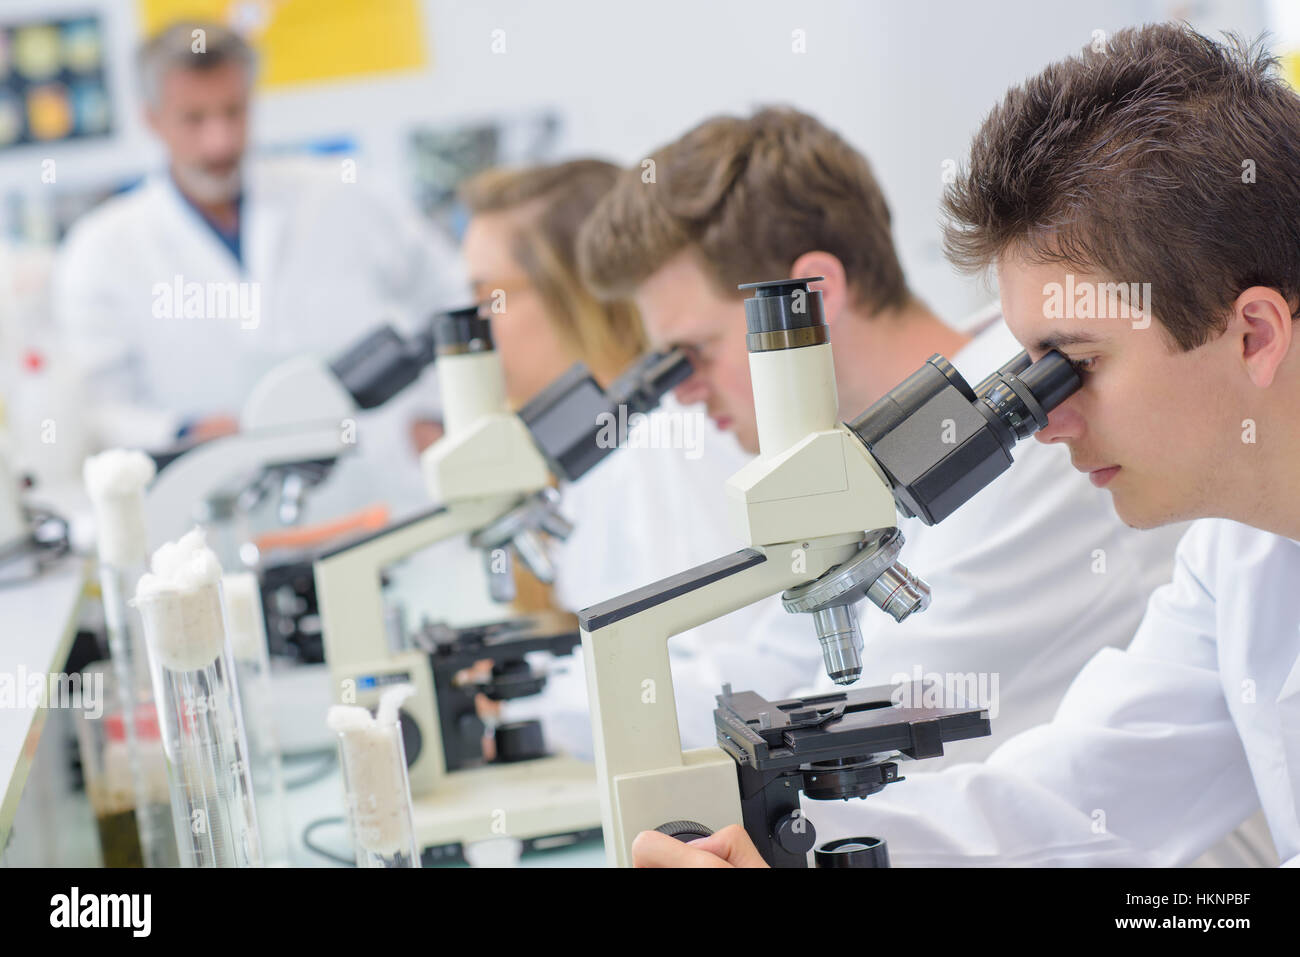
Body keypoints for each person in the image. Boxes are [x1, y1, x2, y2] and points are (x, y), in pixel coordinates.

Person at [632, 24, 1300, 868]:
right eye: (1034, 370)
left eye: (1077, 364)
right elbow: (1072, 799)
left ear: (1252, 333)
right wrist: (778, 854)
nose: (1049, 420)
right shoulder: (1237, 555)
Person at [574, 107, 1187, 770]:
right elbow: (774, 665)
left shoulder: (1040, 438)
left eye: (693, 351)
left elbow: (902, 702)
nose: (682, 390)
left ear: (810, 295)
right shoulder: (867, 455)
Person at [52, 21, 464, 514]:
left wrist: (433, 413)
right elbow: (97, 410)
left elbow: (454, 302)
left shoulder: (345, 196)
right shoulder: (101, 250)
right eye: (194, 119)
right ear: (152, 120)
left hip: (385, 493)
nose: (220, 143)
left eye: (234, 112)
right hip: (220, 512)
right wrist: (182, 431)